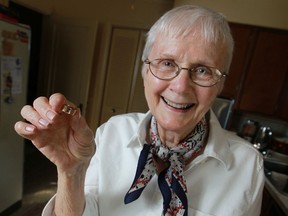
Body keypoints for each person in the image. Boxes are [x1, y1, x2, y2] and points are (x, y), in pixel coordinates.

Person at [14, 5, 265, 216]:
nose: (180, 87)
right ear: (145, 71)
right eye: (167, 63)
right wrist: (72, 172)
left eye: (203, 70)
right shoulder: (111, 133)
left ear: (220, 84)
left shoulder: (248, 166)